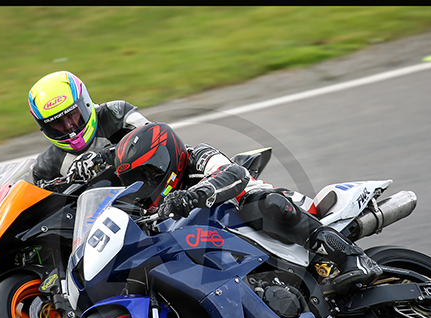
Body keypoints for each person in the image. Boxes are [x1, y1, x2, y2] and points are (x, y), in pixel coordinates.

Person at [114, 122, 382, 295]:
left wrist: (195, 194)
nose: (144, 185)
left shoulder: (198, 155)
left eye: (148, 175)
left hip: (264, 207)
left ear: (164, 158)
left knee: (260, 205)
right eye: (135, 181)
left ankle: (351, 256)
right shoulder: (159, 207)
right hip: (215, 242)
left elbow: (232, 173)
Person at [28, 71, 150, 183]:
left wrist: (105, 156)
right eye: (57, 122)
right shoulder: (46, 165)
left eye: (71, 114)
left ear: (85, 104)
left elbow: (154, 134)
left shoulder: (116, 114)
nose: (69, 126)